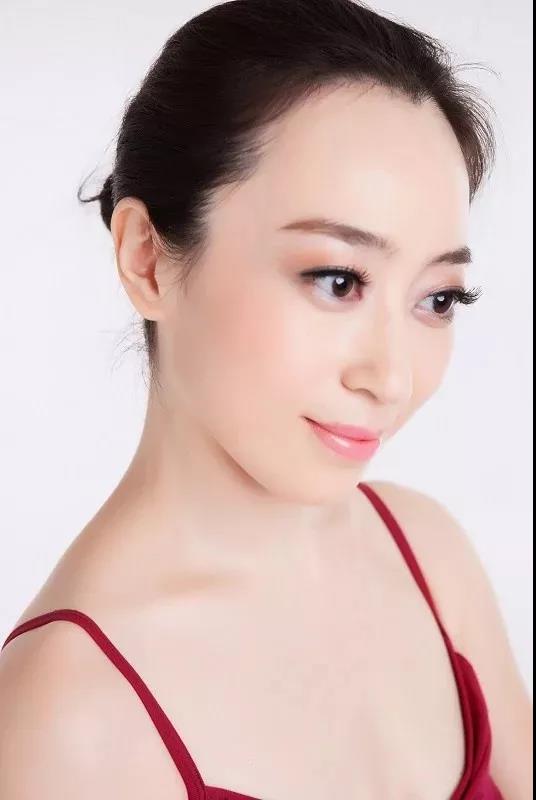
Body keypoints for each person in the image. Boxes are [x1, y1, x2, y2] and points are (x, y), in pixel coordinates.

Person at [0, 1, 532, 798]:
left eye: (437, 298)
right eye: (337, 280)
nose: (391, 377)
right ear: (147, 259)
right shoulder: (66, 720)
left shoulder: (429, 554)